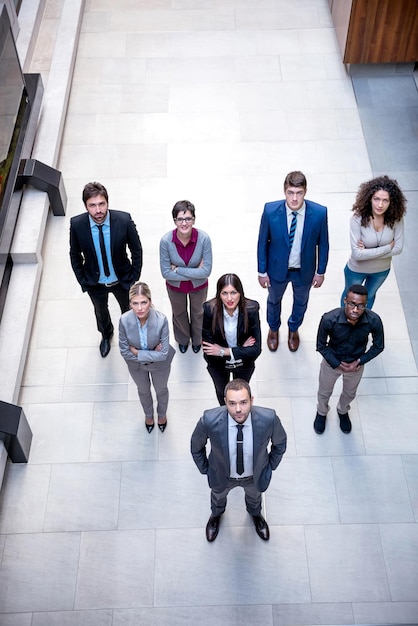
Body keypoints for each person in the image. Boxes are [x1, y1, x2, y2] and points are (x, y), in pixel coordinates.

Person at [191, 379, 287, 542]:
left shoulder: (269, 419)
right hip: (222, 476)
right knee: (217, 497)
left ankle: (256, 515)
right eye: (232, 403)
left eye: (243, 402)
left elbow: (280, 443)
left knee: (255, 498)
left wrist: (269, 466)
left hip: (253, 476)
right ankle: (216, 515)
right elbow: (196, 446)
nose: (238, 409)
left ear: (252, 400)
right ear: (225, 402)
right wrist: (206, 469)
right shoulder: (209, 419)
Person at [257, 170, 329, 352]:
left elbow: (324, 244)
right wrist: (262, 271)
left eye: (299, 193)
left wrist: (320, 271)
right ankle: (273, 329)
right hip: (276, 269)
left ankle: (293, 329)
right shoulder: (270, 210)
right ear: (284, 191)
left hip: (304, 270)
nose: (295, 198)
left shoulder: (319, 213)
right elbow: (262, 242)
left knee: (301, 302)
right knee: (273, 301)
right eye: (291, 193)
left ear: (305, 191)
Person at [70, 181, 142, 357]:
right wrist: (83, 280)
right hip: (95, 282)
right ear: (86, 206)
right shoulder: (78, 225)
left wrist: (133, 277)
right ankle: (106, 335)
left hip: (122, 280)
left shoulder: (124, 220)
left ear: (107, 202)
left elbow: (136, 250)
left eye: (101, 204)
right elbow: (74, 255)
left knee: (129, 311)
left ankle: (130, 338)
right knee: (101, 312)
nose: (98, 210)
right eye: (92, 205)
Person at [314, 284, 384, 435]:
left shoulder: (373, 320)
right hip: (332, 362)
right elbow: (321, 346)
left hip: (356, 365)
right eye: (352, 304)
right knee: (324, 391)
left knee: (350, 393)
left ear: (366, 305)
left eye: (360, 305)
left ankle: (343, 411)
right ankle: (321, 412)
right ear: (345, 300)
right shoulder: (329, 318)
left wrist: (360, 361)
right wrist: (338, 364)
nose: (355, 309)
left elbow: (378, 346)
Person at [341, 175, 407, 309]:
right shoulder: (357, 219)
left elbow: (399, 248)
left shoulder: (396, 219)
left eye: (385, 200)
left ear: (391, 202)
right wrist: (388, 247)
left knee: (369, 297)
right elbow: (357, 255)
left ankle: (361, 327)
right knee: (350, 299)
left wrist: (367, 251)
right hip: (356, 269)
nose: (380, 205)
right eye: (376, 199)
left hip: (381, 270)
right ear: (369, 198)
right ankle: (342, 327)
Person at [119, 281, 175, 433]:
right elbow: (124, 351)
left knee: (161, 390)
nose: (139, 308)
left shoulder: (161, 320)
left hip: (159, 366)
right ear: (130, 303)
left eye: (144, 302)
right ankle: (148, 415)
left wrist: (137, 352)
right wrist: (152, 354)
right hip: (136, 366)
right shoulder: (124, 320)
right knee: (143, 390)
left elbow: (163, 354)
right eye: (135, 303)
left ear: (150, 302)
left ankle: (162, 414)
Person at [159, 200, 212, 354]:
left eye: (188, 218)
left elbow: (206, 271)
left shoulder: (204, 239)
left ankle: (197, 340)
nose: (184, 223)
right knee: (179, 313)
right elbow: (165, 273)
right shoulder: (166, 241)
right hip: (175, 287)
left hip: (199, 286)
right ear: (174, 221)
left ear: (194, 219)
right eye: (180, 219)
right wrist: (195, 271)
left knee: (198, 313)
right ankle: (183, 340)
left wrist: (178, 270)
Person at [202, 273, 261, 406]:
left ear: (240, 293)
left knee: (241, 393)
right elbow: (208, 348)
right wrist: (242, 349)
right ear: (219, 294)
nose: (229, 298)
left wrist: (224, 351)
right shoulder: (209, 309)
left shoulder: (251, 309)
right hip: (218, 365)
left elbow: (256, 349)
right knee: (222, 392)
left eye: (233, 292)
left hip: (244, 364)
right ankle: (225, 413)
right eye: (224, 293)